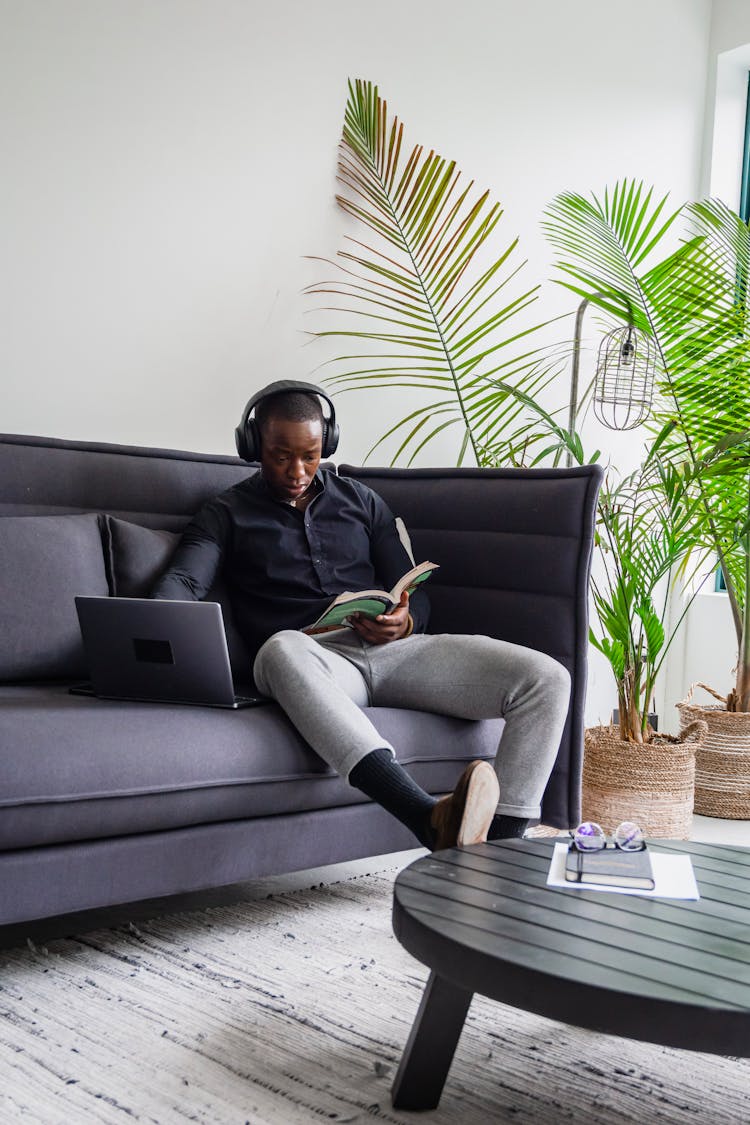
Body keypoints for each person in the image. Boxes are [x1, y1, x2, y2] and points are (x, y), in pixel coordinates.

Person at [151, 380, 571, 851]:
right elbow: (185, 581)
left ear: (326, 444)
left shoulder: (362, 500)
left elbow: (413, 589)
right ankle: (425, 817)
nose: (297, 470)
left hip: (396, 655)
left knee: (546, 678)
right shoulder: (225, 513)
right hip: (313, 661)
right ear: (252, 447)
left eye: (310, 455)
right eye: (280, 455)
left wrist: (404, 621)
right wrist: (153, 626)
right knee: (279, 648)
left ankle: (501, 850)